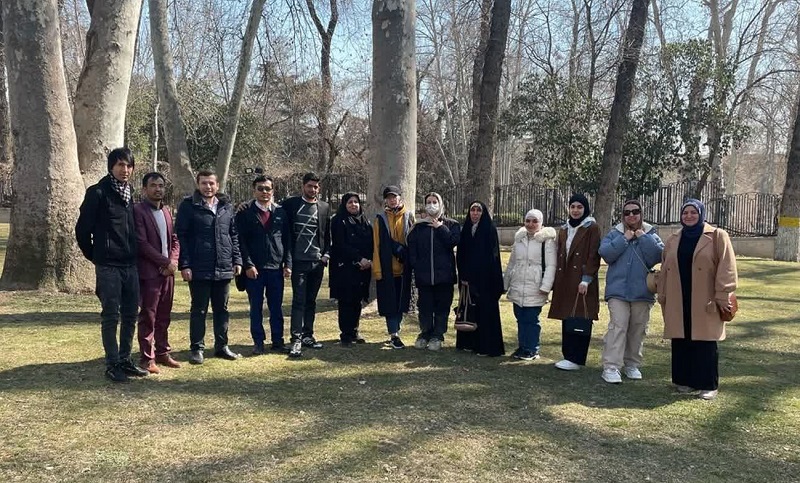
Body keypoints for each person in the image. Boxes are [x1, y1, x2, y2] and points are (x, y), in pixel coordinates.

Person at [75, 147, 149, 382]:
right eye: (120, 165)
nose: (124, 170)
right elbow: (82, 230)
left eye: (128, 165)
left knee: (130, 314)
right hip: (108, 265)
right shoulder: (97, 193)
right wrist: (95, 255)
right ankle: (112, 363)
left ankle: (125, 360)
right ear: (111, 167)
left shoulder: (129, 193)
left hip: (129, 264)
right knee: (110, 315)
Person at [658, 199, 737, 400]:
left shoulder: (717, 236)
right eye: (685, 212)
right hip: (678, 296)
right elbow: (665, 267)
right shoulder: (674, 239)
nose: (689, 216)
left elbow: (727, 267)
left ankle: (707, 384)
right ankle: (683, 380)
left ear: (701, 214)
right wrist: (663, 293)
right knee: (681, 338)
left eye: (693, 212)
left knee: (705, 342)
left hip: (705, 297)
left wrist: (722, 294)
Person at [175, 170, 243, 365]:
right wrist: (185, 264)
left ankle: (222, 346)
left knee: (222, 309)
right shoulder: (188, 206)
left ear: (217, 185)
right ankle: (197, 348)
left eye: (211, 183)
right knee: (199, 310)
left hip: (223, 266)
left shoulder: (226, 206)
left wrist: (237, 260)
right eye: (204, 183)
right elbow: (181, 236)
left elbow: (233, 235)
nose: (208, 187)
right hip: (199, 267)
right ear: (198, 185)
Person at [598, 200, 664, 383]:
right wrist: (624, 239)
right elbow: (605, 253)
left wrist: (643, 237)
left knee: (638, 329)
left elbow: (658, 255)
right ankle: (611, 366)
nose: (631, 215)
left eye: (635, 211)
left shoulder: (651, 233)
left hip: (642, 291)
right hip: (618, 291)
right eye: (627, 213)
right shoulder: (615, 233)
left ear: (641, 213)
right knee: (618, 326)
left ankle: (632, 364)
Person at [236, 175, 292, 355]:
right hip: (255, 269)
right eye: (260, 189)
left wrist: (288, 264)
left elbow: (287, 239)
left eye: (268, 189)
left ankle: (278, 341)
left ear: (273, 191)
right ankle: (258, 342)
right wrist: (248, 265)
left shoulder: (280, 212)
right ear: (254, 191)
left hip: (276, 268)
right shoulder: (245, 212)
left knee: (276, 307)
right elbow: (241, 241)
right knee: (256, 308)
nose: (264, 192)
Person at [133, 172, 181, 373]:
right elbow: (141, 243)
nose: (158, 189)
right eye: (153, 185)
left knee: (164, 315)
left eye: (161, 185)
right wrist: (164, 262)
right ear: (145, 189)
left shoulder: (166, 211)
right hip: (149, 273)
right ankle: (147, 358)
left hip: (167, 274)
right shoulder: (138, 211)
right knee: (148, 316)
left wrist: (173, 261)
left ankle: (162, 352)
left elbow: (174, 239)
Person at [547, 193, 602, 371]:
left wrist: (586, 279)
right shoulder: (564, 228)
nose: (576, 210)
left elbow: (594, 255)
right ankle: (567, 355)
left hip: (582, 279)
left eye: (579, 207)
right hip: (565, 278)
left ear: (585, 209)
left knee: (581, 316)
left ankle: (577, 358)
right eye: (573, 207)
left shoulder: (592, 227)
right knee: (567, 315)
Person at [281, 172, 331, 357]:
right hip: (298, 261)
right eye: (310, 186)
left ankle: (308, 335)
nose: (313, 189)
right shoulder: (291, 204)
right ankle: (296, 339)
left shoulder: (324, 207)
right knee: (299, 301)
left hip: (317, 262)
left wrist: (325, 255)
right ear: (303, 186)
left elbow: (327, 234)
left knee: (311, 301)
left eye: (316, 187)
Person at [407, 192, 460, 351]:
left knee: (442, 307)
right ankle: (425, 333)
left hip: (444, 277)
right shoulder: (418, 227)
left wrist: (440, 228)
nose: (431, 205)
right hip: (424, 277)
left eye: (434, 201)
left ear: (440, 203)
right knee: (425, 307)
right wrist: (417, 266)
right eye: (428, 202)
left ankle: (438, 335)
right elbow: (412, 248)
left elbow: (452, 241)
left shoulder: (451, 224)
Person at [503, 209, 557, 360]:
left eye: (535, 221)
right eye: (528, 221)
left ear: (541, 223)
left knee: (531, 319)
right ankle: (523, 347)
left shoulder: (547, 241)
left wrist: (545, 287)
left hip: (535, 285)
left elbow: (551, 266)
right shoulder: (519, 239)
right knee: (520, 317)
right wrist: (505, 283)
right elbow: (512, 263)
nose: (531, 224)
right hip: (518, 283)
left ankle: (532, 349)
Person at [455, 201, 506, 357]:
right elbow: (461, 255)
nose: (475, 213)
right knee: (469, 309)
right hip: (468, 280)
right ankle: (468, 343)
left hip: (486, 280)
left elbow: (493, 256)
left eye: (478, 210)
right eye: (473, 210)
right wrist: (463, 275)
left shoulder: (489, 229)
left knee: (485, 312)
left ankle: (485, 346)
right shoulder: (466, 230)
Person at [372, 185, 414, 349]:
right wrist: (377, 270)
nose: (392, 200)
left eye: (394, 197)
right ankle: (394, 334)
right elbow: (376, 245)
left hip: (404, 269)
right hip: (387, 269)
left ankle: (396, 330)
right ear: (385, 200)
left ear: (400, 198)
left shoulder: (409, 217)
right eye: (389, 197)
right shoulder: (380, 219)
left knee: (401, 303)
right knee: (389, 304)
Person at [329, 192, 373, 346]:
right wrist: (358, 259)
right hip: (345, 268)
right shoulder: (338, 221)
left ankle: (355, 330)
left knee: (357, 301)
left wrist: (368, 260)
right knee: (346, 301)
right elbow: (340, 245)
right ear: (344, 204)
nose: (353, 205)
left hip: (363, 268)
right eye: (350, 202)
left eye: (356, 202)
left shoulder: (365, 221)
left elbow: (371, 242)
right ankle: (346, 334)